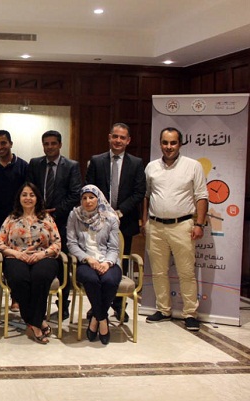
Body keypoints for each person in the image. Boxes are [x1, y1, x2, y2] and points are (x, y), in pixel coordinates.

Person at [142, 127, 208, 332]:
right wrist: (144, 221)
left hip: (183, 225)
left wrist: (199, 224)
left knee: (186, 272)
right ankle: (163, 310)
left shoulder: (193, 166)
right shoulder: (151, 167)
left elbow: (202, 196)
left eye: (173, 143)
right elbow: (146, 196)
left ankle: (190, 314)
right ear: (160, 143)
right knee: (158, 272)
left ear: (180, 144)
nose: (169, 147)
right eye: (165, 142)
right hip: (155, 226)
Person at [85, 122, 145, 322]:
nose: (118, 140)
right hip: (97, 223)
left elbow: (139, 192)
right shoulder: (96, 161)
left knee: (120, 264)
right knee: (97, 264)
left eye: (122, 137)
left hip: (124, 222)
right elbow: (90, 189)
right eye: (115, 136)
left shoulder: (136, 163)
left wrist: (118, 212)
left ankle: (119, 306)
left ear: (128, 141)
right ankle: (96, 307)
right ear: (109, 137)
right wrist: (101, 212)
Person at [0, 182, 61, 344]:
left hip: (43, 257)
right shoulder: (11, 218)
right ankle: (37, 321)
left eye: (32, 195)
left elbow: (57, 243)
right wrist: (17, 254)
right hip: (16, 257)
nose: (28, 198)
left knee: (40, 277)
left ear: (37, 198)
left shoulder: (47, 218)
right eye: (24, 195)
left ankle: (34, 324)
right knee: (20, 279)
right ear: (19, 198)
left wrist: (41, 255)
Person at [27, 130, 81, 317]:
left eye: (53, 143)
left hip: (62, 222)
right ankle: (36, 304)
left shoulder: (72, 166)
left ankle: (63, 304)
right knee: (37, 263)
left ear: (60, 145)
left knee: (62, 264)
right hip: (37, 222)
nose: (49, 147)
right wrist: (39, 211)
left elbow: (75, 194)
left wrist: (55, 212)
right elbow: (29, 190)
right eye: (46, 144)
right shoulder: (35, 164)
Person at [67, 185, 122, 345]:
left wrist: (107, 263)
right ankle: (102, 320)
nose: (88, 201)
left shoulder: (110, 218)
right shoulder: (74, 215)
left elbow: (114, 248)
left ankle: (95, 318)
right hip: (85, 261)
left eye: (91, 197)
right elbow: (71, 243)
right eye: (84, 198)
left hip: (108, 260)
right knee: (91, 279)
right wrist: (88, 259)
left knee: (109, 281)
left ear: (99, 199)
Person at [0, 130, 28, 310]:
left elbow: (27, 193)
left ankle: (16, 297)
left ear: (11, 143)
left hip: (17, 220)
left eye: (3, 143)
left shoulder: (23, 166)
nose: (0, 147)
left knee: (14, 258)